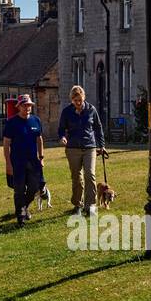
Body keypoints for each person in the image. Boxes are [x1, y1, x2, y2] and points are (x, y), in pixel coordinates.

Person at [58, 85, 106, 216]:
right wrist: (62, 137)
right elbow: (61, 129)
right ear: (71, 100)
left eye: (80, 100)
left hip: (89, 147)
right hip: (73, 148)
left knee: (90, 175)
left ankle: (90, 205)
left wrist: (101, 145)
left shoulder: (91, 110)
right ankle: (77, 204)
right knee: (77, 178)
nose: (78, 103)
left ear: (84, 97)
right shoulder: (67, 112)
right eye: (75, 101)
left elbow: (98, 127)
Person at [2, 94, 48, 226]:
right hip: (17, 162)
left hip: (33, 162)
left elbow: (39, 140)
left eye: (29, 105)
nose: (27, 107)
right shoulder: (12, 123)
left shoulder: (36, 121)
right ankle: (20, 216)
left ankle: (24, 207)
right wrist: (8, 164)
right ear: (19, 106)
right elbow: (6, 145)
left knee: (34, 187)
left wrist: (41, 157)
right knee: (19, 189)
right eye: (24, 105)